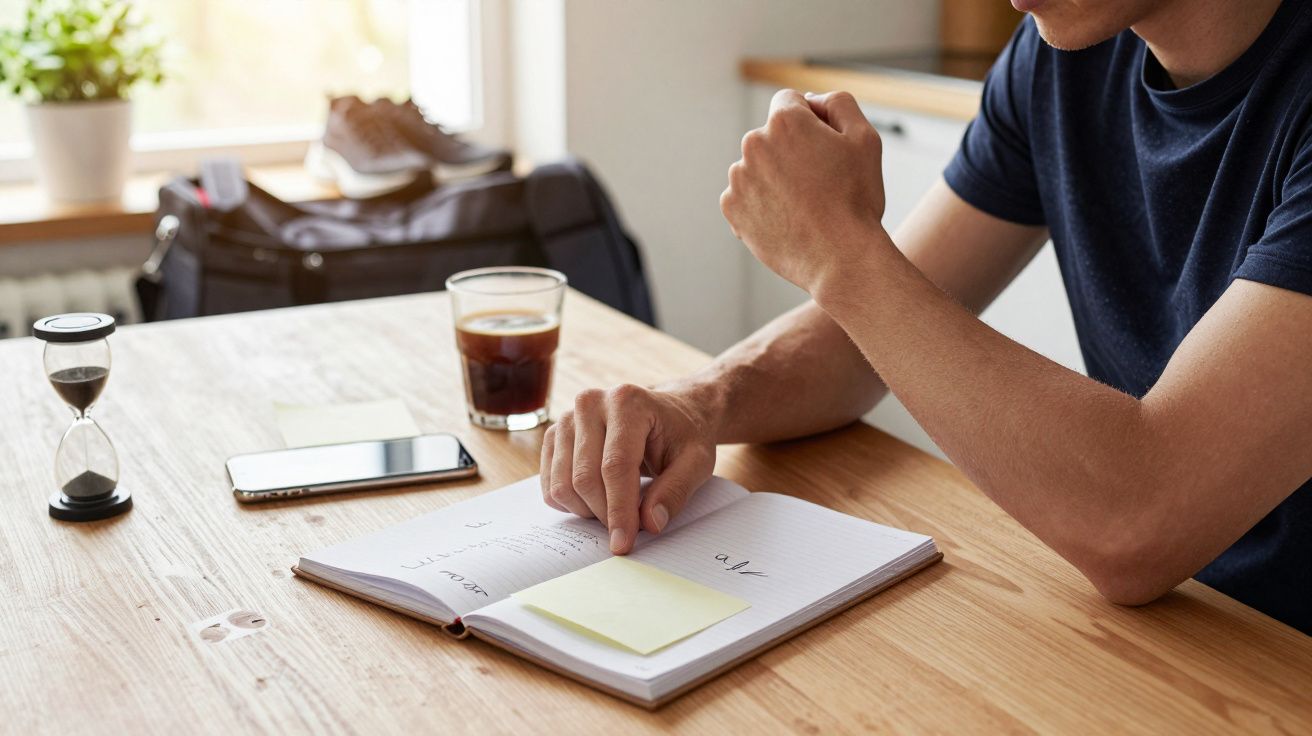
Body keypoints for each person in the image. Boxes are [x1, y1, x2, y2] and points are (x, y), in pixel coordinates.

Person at [538, 0, 1312, 634]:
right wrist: (697, 403)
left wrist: (840, 252)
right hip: (1184, 630)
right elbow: (861, 342)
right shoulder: (1062, 57)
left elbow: (1137, 520)